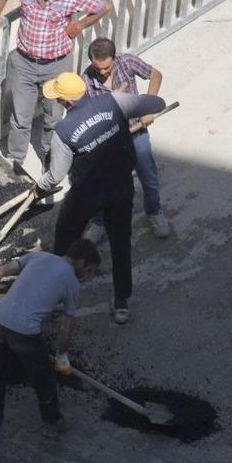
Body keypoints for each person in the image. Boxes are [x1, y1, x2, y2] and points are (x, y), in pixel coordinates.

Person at [35, 72, 166, 325]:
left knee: (64, 238)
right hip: (120, 187)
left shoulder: (63, 132)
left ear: (65, 102)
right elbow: (156, 104)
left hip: (86, 195)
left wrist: (38, 187)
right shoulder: (113, 101)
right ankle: (121, 302)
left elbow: (55, 177)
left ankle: (54, 292)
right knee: (120, 242)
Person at [0, 239, 101, 441]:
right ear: (80, 262)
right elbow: (66, 325)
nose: (87, 275)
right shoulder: (71, 281)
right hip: (24, 334)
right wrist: (61, 355)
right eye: (88, 270)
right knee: (44, 379)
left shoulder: (38, 256)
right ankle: (52, 423)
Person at [0, 0, 111, 172]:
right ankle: (14, 164)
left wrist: (80, 24)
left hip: (56, 65)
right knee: (20, 119)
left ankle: (49, 160)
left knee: (53, 118)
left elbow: (104, 7)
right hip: (24, 63)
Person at [82, 37, 170, 240]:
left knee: (149, 178)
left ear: (114, 58)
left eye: (106, 68)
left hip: (136, 133)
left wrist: (149, 105)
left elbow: (155, 75)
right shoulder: (86, 79)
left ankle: (154, 212)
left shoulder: (127, 62)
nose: (102, 72)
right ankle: (99, 222)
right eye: (98, 68)